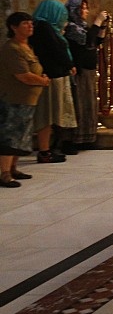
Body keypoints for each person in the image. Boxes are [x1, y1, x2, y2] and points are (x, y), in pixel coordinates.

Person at [0, 13, 49, 187]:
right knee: (10, 136)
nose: (30, 26)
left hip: (28, 100)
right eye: (25, 24)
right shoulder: (12, 48)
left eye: (31, 23)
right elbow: (22, 75)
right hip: (14, 98)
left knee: (22, 136)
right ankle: (4, 172)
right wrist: (42, 81)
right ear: (14, 27)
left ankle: (13, 167)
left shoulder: (26, 47)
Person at [29, 0, 77, 163]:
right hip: (51, 77)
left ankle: (48, 149)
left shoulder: (41, 27)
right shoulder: (43, 28)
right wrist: (69, 64)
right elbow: (56, 50)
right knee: (47, 115)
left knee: (51, 115)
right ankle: (45, 151)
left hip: (52, 75)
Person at [64, 0, 107, 152]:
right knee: (79, 105)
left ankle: (87, 138)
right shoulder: (71, 28)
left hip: (88, 70)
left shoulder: (82, 26)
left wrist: (102, 28)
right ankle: (74, 139)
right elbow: (87, 41)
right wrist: (97, 22)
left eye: (86, 8)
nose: (86, 11)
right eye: (82, 8)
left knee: (88, 104)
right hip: (79, 71)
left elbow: (95, 43)